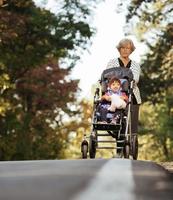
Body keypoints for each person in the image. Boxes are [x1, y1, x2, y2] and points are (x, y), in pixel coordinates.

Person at [106, 38, 141, 157]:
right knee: (119, 123)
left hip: (132, 97)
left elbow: (135, 79)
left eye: (128, 48)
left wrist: (124, 80)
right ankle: (120, 151)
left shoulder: (135, 65)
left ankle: (131, 151)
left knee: (132, 125)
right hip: (117, 97)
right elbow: (108, 76)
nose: (125, 50)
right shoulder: (112, 62)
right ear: (119, 49)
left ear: (131, 50)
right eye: (123, 48)